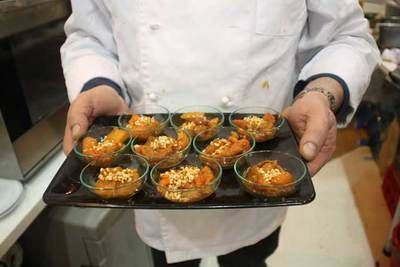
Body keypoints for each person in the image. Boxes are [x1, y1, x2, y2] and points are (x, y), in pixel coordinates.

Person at [61, 1, 380, 266]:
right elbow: (89, 37)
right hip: (152, 186)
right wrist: (98, 83)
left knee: (251, 259)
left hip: (259, 174)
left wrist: (323, 92)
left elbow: (347, 35)